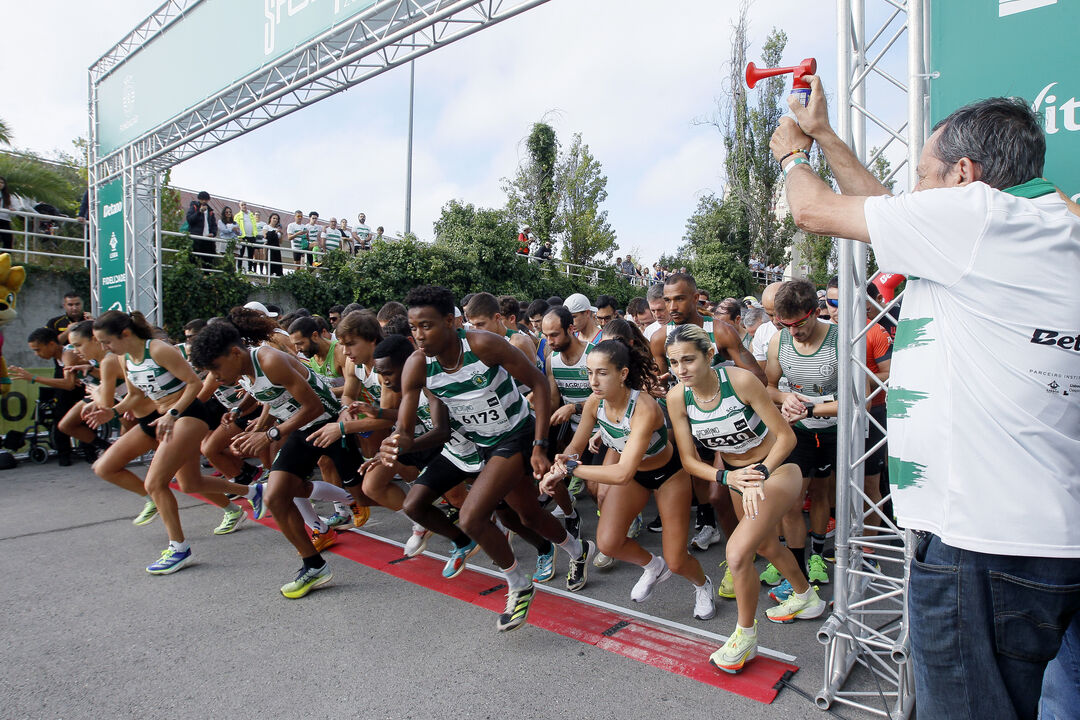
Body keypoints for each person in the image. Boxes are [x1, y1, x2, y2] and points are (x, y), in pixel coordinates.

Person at [771, 74, 1079, 718]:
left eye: (926, 176)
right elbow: (891, 211)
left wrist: (793, 154)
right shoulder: (1045, 224)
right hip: (1053, 531)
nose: (915, 194)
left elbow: (813, 211)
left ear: (964, 175)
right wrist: (828, 133)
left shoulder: (978, 218)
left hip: (982, 542)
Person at [394, 286, 593, 632]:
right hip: (484, 445)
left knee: (471, 516)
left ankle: (518, 584)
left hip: (517, 435)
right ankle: (579, 549)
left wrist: (539, 446)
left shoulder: (482, 345)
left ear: (450, 322)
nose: (419, 335)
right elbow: (405, 429)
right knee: (528, 515)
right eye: (413, 327)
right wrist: (393, 443)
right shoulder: (417, 365)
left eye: (426, 325)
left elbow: (539, 384)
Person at [664, 323, 824, 672]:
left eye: (688, 360)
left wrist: (761, 474)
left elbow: (786, 438)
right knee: (766, 546)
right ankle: (806, 597)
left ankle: (745, 637)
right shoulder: (677, 397)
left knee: (737, 553)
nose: (680, 370)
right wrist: (727, 477)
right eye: (673, 363)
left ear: (709, 355)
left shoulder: (740, 381)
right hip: (737, 476)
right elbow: (690, 461)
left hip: (777, 466)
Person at [540, 335, 714, 620]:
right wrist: (556, 469)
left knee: (678, 559)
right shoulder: (596, 403)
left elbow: (621, 473)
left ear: (622, 374)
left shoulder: (643, 408)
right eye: (590, 373)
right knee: (607, 543)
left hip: (668, 475)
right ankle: (652, 566)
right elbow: (574, 449)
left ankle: (702, 585)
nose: (593, 381)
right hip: (636, 477)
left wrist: (572, 471)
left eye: (602, 373)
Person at [189, 316, 359, 598]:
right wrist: (240, 411)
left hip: (327, 424)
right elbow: (264, 395)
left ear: (234, 353)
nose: (216, 379)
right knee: (275, 496)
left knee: (374, 494)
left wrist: (269, 434)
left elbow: (314, 406)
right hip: (300, 432)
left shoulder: (269, 360)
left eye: (216, 370)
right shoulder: (242, 369)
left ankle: (363, 499)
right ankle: (314, 565)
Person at [92, 311, 266, 574]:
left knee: (155, 482)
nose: (104, 348)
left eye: (106, 342)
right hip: (164, 419)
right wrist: (113, 411)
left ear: (125, 334)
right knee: (190, 482)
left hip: (188, 416)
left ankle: (179, 548)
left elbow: (194, 384)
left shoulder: (159, 350)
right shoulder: (125, 357)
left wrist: (173, 413)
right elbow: (135, 395)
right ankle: (254, 492)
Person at [9, 328, 83, 466]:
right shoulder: (61, 355)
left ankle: (98, 450)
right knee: (63, 421)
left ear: (51, 344)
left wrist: (33, 377)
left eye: (38, 350)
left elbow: (68, 384)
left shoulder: (67, 354)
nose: (37, 354)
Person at [185, 191, 217, 268]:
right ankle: (194, 276)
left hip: (207, 239)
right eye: (202, 199)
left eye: (206, 200)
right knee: (193, 259)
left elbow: (214, 225)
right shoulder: (194, 207)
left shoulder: (210, 211)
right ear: (199, 199)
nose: (204, 201)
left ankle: (207, 276)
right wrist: (199, 212)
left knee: (208, 261)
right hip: (196, 238)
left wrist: (213, 233)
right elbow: (190, 220)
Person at [234, 201, 260, 273]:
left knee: (251, 254)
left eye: (245, 204)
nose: (244, 206)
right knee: (240, 254)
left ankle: (250, 269)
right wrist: (239, 236)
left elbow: (254, 225)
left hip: (251, 236)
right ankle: (239, 269)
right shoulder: (237, 215)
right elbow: (236, 226)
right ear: (240, 206)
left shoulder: (251, 215)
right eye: (242, 205)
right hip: (242, 236)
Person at [262, 212, 284, 276]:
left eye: (276, 219)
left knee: (277, 264)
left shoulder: (278, 229)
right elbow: (265, 236)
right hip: (269, 247)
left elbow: (281, 241)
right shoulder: (266, 226)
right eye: (274, 218)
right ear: (270, 219)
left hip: (276, 248)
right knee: (269, 263)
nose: (275, 220)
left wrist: (280, 233)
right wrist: (274, 232)